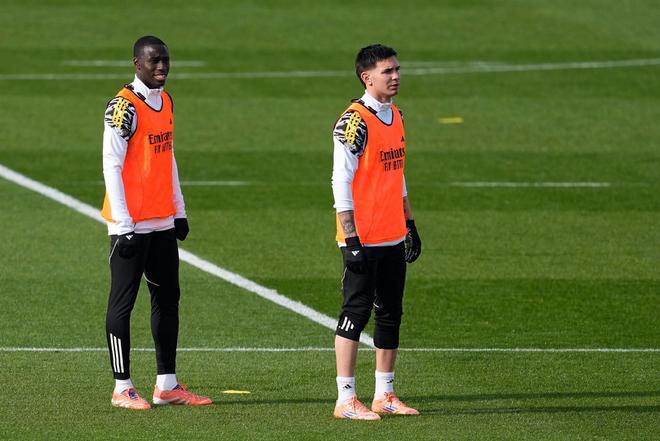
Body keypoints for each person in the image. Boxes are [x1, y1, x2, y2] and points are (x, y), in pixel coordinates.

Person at [101, 35, 211, 410]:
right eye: (154, 61)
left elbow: (168, 156)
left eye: (165, 60)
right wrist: (124, 223)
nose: (162, 66)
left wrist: (179, 210)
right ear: (137, 64)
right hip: (131, 225)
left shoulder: (166, 101)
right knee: (122, 303)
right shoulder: (122, 108)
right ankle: (122, 387)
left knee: (167, 300)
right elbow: (111, 166)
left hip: (161, 220)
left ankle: (167, 385)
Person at [331, 44, 422, 420]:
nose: (396, 76)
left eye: (397, 69)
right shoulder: (353, 122)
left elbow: (397, 173)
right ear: (367, 78)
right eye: (388, 71)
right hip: (363, 238)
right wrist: (350, 238)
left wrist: (409, 222)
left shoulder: (396, 115)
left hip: (391, 233)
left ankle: (384, 394)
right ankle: (346, 399)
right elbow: (340, 181)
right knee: (355, 313)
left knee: (390, 313)